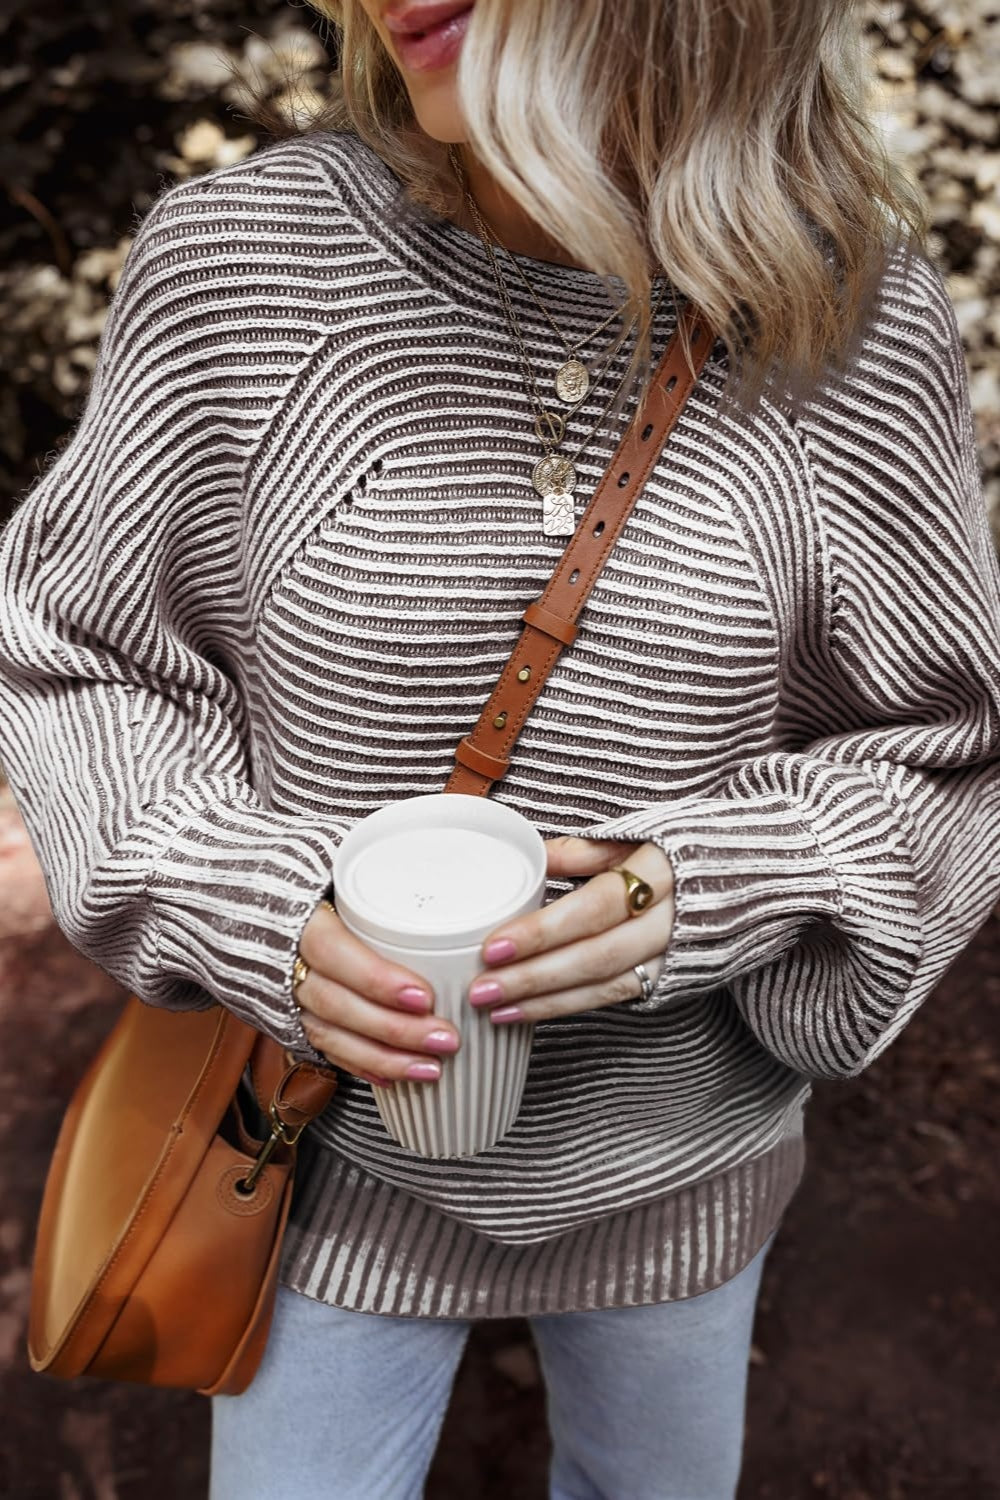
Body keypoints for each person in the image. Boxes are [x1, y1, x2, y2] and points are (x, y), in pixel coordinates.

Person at [1, 0, 999, 1495]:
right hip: (311, 1162)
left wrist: (710, 885)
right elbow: (75, 652)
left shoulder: (850, 320)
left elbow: (945, 753)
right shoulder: (243, 265)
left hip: (682, 1166)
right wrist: (251, 904)